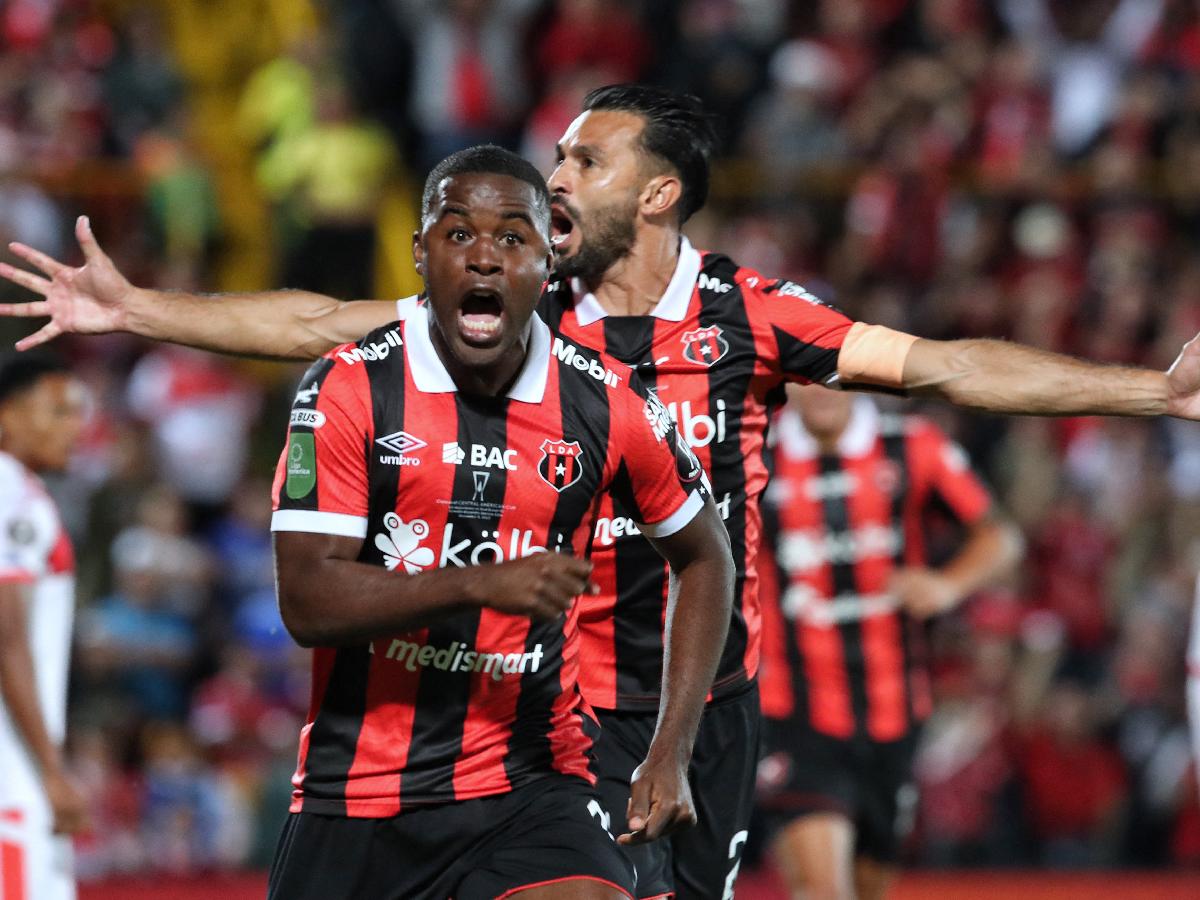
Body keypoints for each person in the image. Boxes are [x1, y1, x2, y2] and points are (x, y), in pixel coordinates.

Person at [4, 84, 1200, 897]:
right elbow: (326, 325)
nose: (556, 172)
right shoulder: (522, 305)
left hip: (703, 706)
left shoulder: (753, 318)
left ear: (660, 191)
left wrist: (1151, 393)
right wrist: (138, 308)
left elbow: (947, 369)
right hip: (548, 715)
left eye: (585, 156)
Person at [272, 146, 733, 899]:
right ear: (420, 253)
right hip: (355, 793)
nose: (484, 259)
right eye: (458, 235)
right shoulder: (349, 387)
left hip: (530, 783)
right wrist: (483, 583)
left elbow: (706, 556)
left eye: (513, 237)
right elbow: (308, 602)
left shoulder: (610, 402)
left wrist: (670, 749)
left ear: (550, 258)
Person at [756, 385, 1022, 900]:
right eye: (806, 375)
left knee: (868, 886)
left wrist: (947, 585)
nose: (821, 390)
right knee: (824, 892)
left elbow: (1000, 537)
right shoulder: (755, 457)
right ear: (785, 382)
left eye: (833, 375)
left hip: (894, 712)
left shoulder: (913, 445)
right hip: (792, 713)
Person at [0, 354, 89, 900]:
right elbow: (7, 640)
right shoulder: (11, 494)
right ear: (6, 416)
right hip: (13, 773)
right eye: (56, 411)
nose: (74, 426)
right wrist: (53, 772)